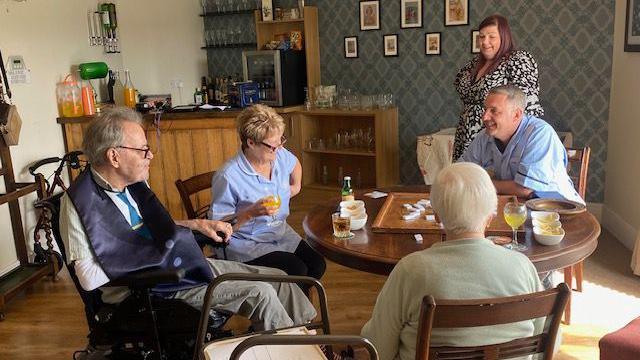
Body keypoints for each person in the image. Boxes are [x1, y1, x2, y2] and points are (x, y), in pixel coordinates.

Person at [59, 107, 316, 331]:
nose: (150, 156)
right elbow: (88, 277)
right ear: (114, 157)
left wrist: (195, 224)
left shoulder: (131, 184)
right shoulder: (80, 203)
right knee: (261, 293)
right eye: (143, 150)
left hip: (177, 263)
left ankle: (308, 340)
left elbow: (146, 230)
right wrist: (154, 255)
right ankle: (288, 348)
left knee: (279, 279)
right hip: (150, 287)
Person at [361, 162, 543, 360]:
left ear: (437, 216)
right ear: (491, 215)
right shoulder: (523, 267)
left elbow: (378, 348)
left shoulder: (409, 270)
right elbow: (548, 340)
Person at [209, 104, 326, 285]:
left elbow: (294, 164)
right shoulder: (228, 176)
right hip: (246, 244)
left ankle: (290, 305)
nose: (278, 149)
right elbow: (218, 229)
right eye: (272, 146)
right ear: (251, 142)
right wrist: (251, 212)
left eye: (281, 142)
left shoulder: (278, 155)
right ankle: (287, 310)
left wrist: (295, 188)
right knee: (297, 271)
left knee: (317, 264)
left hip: (279, 233)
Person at [460, 84, 583, 204]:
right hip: (514, 208)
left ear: (516, 115)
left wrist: (481, 183)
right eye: (485, 109)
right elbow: (460, 171)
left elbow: (524, 188)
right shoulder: (484, 136)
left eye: (494, 111)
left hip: (560, 212)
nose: (485, 117)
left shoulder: (539, 133)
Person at [453, 14, 544, 160]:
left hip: (496, 136)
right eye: (481, 37)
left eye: (491, 36)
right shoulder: (473, 65)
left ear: (504, 36)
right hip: (466, 135)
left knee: (492, 180)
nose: (485, 42)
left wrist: (515, 142)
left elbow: (527, 104)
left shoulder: (517, 60)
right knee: (465, 178)